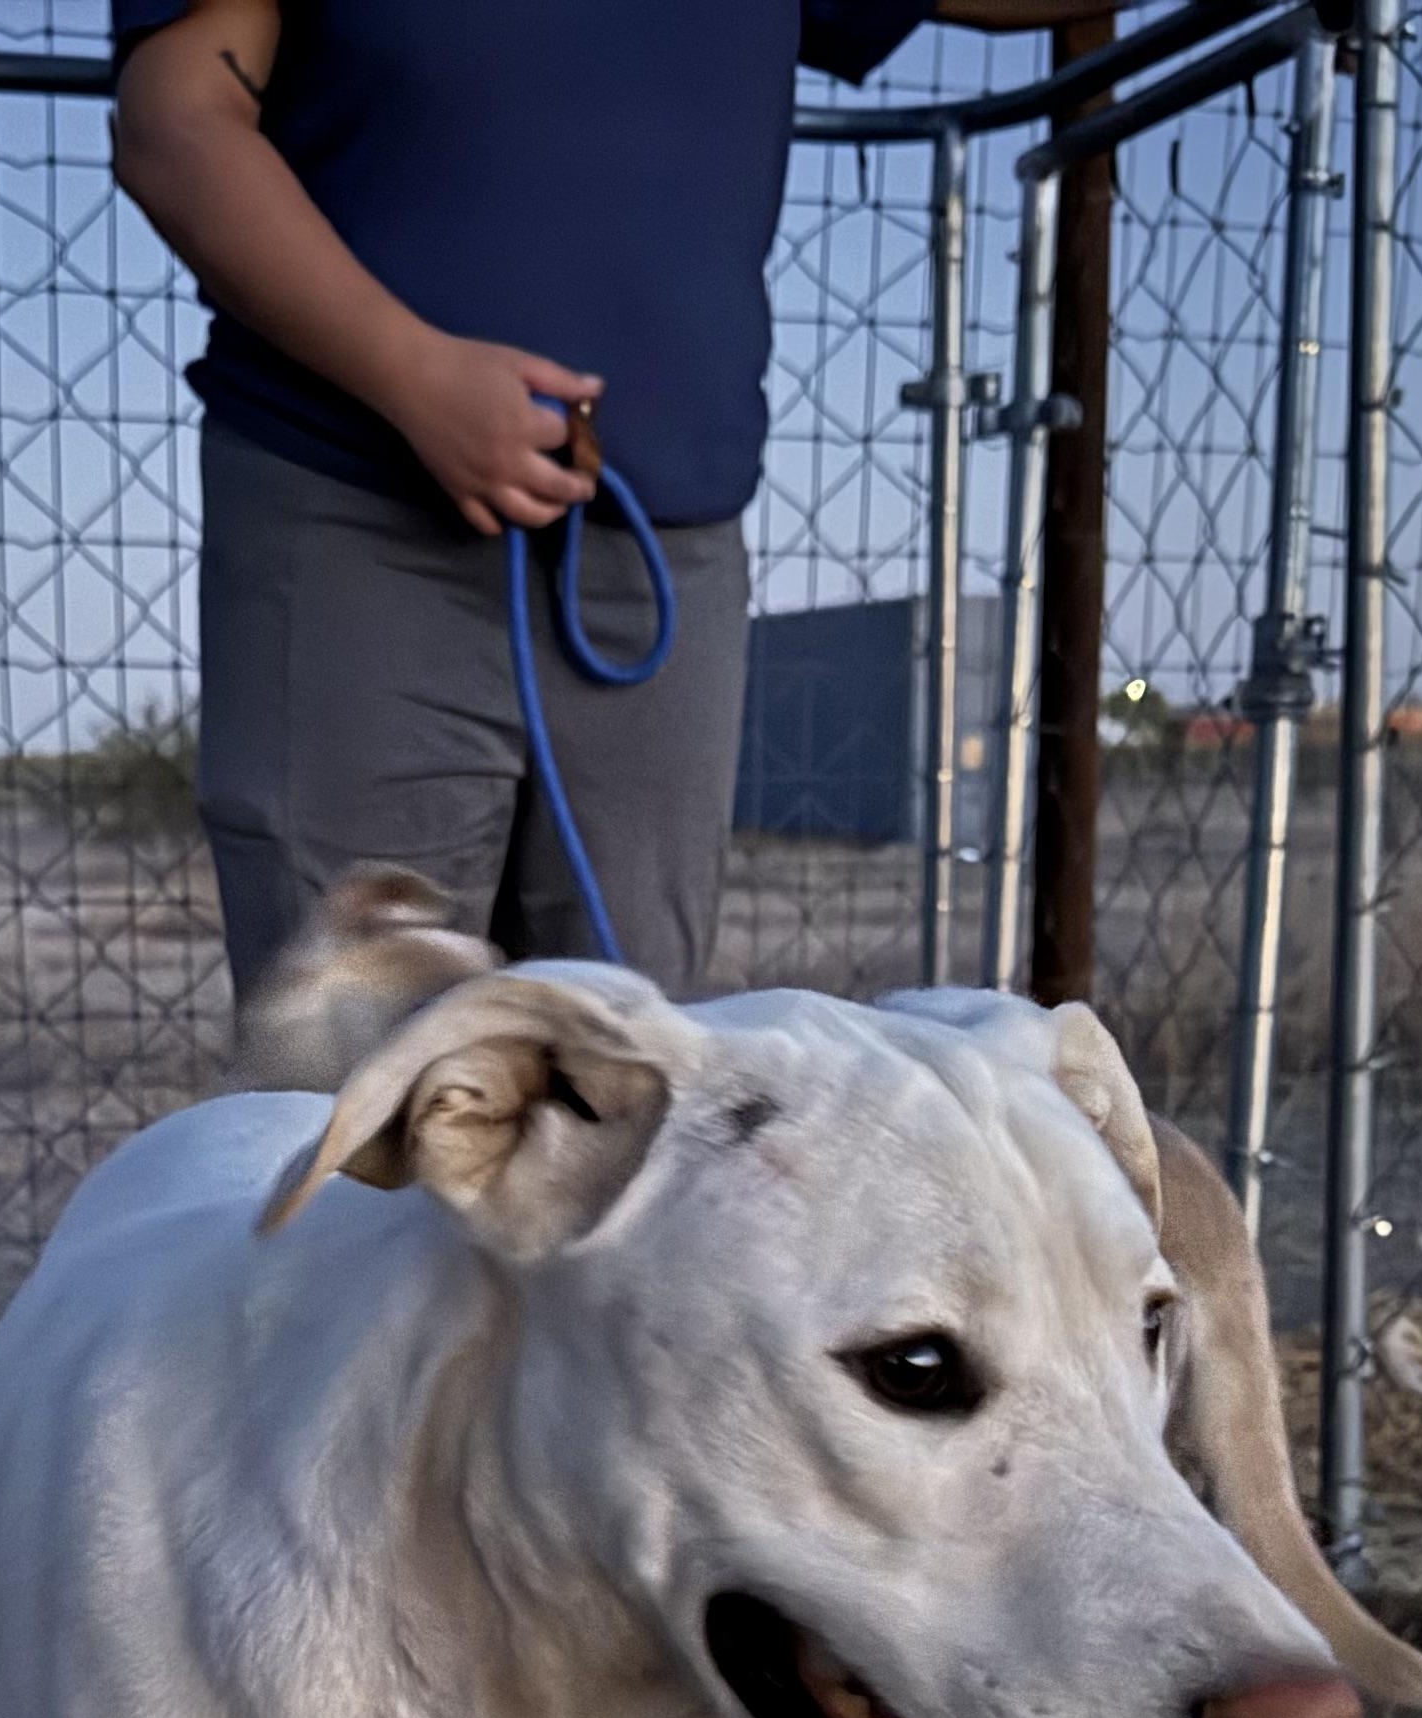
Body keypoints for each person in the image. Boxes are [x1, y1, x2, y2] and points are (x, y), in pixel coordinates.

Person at [112, 0, 1102, 1003]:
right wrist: (413, 377)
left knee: (627, 1063)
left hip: (666, 553)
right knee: (353, 1068)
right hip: (355, 515)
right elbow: (174, 125)